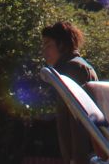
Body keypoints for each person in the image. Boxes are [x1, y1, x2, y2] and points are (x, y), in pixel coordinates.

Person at [40, 20, 97, 164]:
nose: (44, 51)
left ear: (62, 45)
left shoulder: (72, 69)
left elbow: (78, 118)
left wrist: (76, 159)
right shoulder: (78, 65)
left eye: (48, 45)